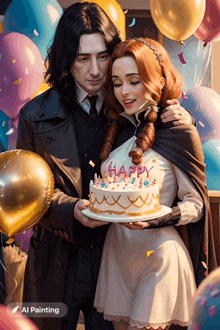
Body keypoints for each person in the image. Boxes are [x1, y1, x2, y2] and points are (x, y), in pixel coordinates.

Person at [16, 2, 194, 330]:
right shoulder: (34, 116)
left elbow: (169, 139)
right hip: (54, 263)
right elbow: (29, 194)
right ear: (66, 59)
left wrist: (181, 120)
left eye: (102, 56)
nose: (96, 70)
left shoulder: (135, 108)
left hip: (118, 262)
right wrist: (72, 209)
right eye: (83, 59)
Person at [93, 38, 217, 330]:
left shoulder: (177, 130)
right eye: (118, 82)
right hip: (117, 254)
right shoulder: (118, 128)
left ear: (157, 81)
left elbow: (196, 205)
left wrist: (157, 218)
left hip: (158, 258)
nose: (124, 91)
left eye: (134, 81)